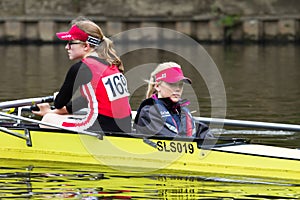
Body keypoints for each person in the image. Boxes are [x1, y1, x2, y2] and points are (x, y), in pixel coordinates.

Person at [32, 17, 132, 133]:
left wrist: (53, 104)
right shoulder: (111, 65)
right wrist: (53, 111)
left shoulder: (80, 68)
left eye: (70, 43)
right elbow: (85, 100)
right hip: (124, 127)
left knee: (48, 119)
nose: (67, 47)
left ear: (85, 46)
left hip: (102, 128)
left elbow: (59, 103)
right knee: (54, 115)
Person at [134, 62, 211, 138]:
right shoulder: (148, 112)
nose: (178, 89)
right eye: (172, 84)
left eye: (180, 84)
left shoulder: (181, 110)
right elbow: (170, 140)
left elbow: (201, 130)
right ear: (157, 86)